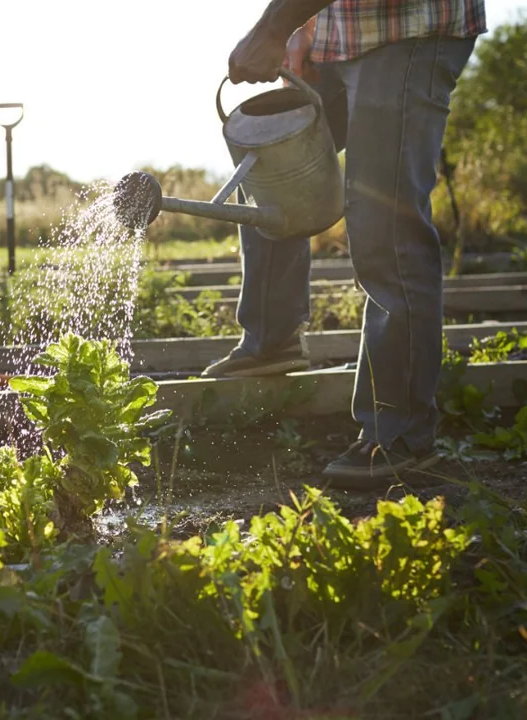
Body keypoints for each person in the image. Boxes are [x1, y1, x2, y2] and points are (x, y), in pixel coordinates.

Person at [203, 0, 487, 487]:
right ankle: (273, 339)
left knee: (385, 223)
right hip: (346, 32)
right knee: (273, 165)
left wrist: (274, 26)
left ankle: (400, 434)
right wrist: (305, 28)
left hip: (407, 29)